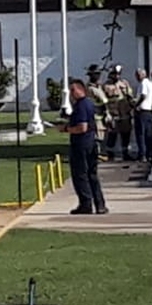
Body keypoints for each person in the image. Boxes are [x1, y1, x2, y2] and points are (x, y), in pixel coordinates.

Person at [60, 78, 108, 215]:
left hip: (81, 144)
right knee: (92, 175)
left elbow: (82, 127)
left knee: (81, 175)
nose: (71, 93)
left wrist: (66, 129)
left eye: (73, 90)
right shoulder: (89, 104)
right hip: (91, 142)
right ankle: (100, 204)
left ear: (81, 90)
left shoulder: (81, 105)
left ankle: (86, 204)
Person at [103, 65, 135, 161]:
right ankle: (110, 155)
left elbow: (130, 97)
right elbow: (104, 101)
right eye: (114, 74)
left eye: (118, 74)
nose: (117, 76)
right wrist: (107, 114)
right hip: (114, 115)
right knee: (112, 135)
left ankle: (125, 154)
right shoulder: (106, 86)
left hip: (125, 114)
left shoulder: (124, 83)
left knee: (126, 135)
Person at [85, 65, 112, 160]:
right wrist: (107, 113)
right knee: (98, 136)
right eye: (96, 74)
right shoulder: (92, 89)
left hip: (100, 115)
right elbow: (103, 101)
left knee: (103, 135)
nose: (98, 76)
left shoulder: (98, 87)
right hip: (96, 116)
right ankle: (98, 154)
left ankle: (100, 153)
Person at [133, 68, 152, 163]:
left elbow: (143, 96)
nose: (137, 77)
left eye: (138, 75)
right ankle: (149, 154)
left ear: (143, 75)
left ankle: (142, 155)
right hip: (149, 111)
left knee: (140, 134)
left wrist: (136, 105)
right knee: (148, 134)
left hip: (142, 111)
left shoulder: (143, 83)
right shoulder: (150, 84)